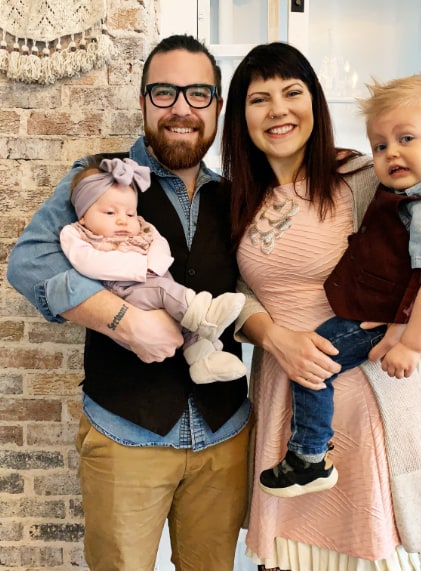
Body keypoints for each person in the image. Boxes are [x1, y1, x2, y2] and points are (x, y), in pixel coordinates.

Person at [7, 34, 251, 571]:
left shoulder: (239, 195)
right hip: (125, 435)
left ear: (217, 107)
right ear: (142, 101)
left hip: (225, 435)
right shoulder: (98, 179)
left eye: (198, 93)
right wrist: (124, 321)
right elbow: (27, 263)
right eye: (164, 92)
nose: (182, 108)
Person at [222, 42, 421, 571]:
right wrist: (273, 337)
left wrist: (412, 322)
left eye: (292, 92)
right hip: (282, 392)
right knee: (286, 560)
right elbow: (232, 292)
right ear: (241, 116)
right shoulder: (235, 197)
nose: (278, 110)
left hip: (366, 394)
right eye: (259, 99)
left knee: (368, 554)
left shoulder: (365, 177)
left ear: (316, 103)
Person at [258, 74, 421, 498]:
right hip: (375, 313)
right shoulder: (411, 192)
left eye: (406, 138)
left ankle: (309, 455)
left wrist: (409, 343)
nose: (391, 153)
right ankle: (309, 452)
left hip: (385, 327)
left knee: (315, 360)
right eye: (381, 145)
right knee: (315, 358)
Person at [62, 156, 247, 384]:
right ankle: (205, 314)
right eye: (110, 213)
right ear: (82, 216)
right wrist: (141, 269)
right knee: (163, 290)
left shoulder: (140, 226)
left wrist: (154, 266)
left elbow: (158, 243)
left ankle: (203, 360)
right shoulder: (77, 234)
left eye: (129, 213)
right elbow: (85, 262)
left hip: (155, 282)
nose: (122, 221)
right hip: (123, 292)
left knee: (182, 318)